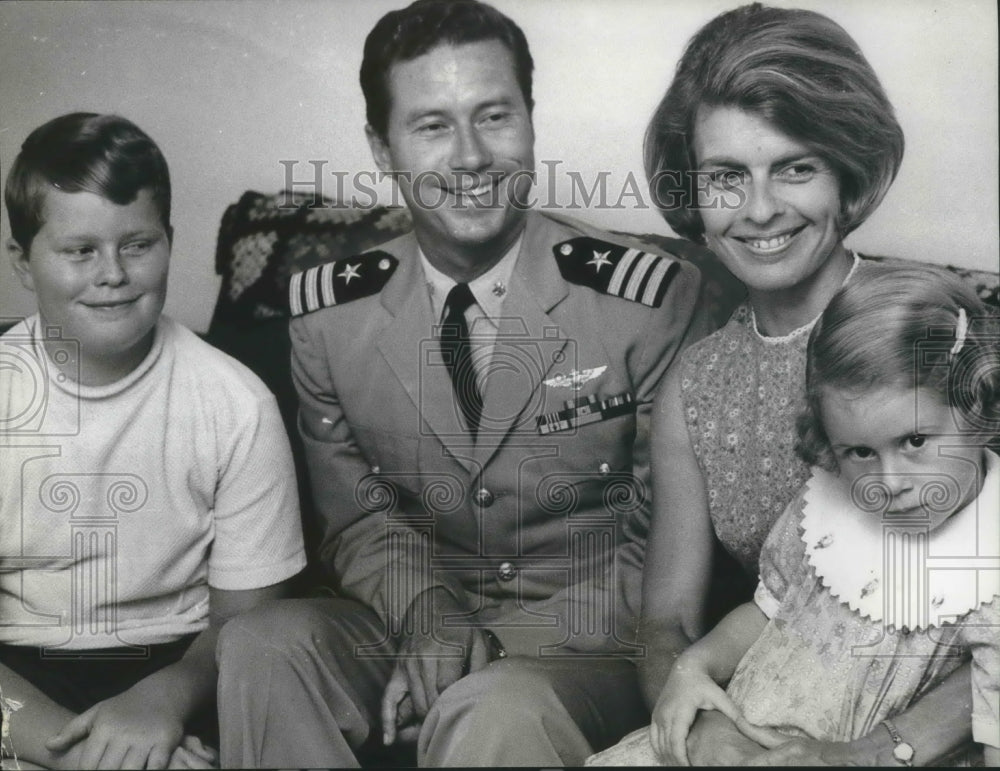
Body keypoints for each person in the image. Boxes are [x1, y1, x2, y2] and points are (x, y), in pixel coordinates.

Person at [214, 0, 707, 766]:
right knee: (261, 647)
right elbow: (357, 519)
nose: (471, 155)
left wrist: (482, 652)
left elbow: (657, 549)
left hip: (590, 639)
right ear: (382, 148)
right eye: (433, 126)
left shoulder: (645, 298)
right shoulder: (328, 314)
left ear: (532, 122)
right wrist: (430, 619)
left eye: (494, 116)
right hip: (417, 615)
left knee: (494, 705)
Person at [630, 3, 980, 765]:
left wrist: (874, 755)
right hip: (774, 716)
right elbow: (665, 628)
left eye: (795, 167)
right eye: (727, 176)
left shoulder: (932, 328)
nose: (760, 210)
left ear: (846, 171)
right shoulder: (696, 387)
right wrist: (709, 731)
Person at [589, 264, 1000, 766]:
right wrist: (692, 668)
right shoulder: (823, 509)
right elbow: (769, 610)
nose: (889, 483)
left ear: (978, 407)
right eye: (859, 453)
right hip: (740, 735)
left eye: (915, 441)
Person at [0, 113, 306, 769]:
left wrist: (164, 701)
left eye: (137, 244)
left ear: (170, 241)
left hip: (180, 669)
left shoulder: (237, 403)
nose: (112, 273)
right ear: (24, 262)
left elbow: (242, 625)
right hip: (17, 681)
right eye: (79, 250)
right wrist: (82, 754)